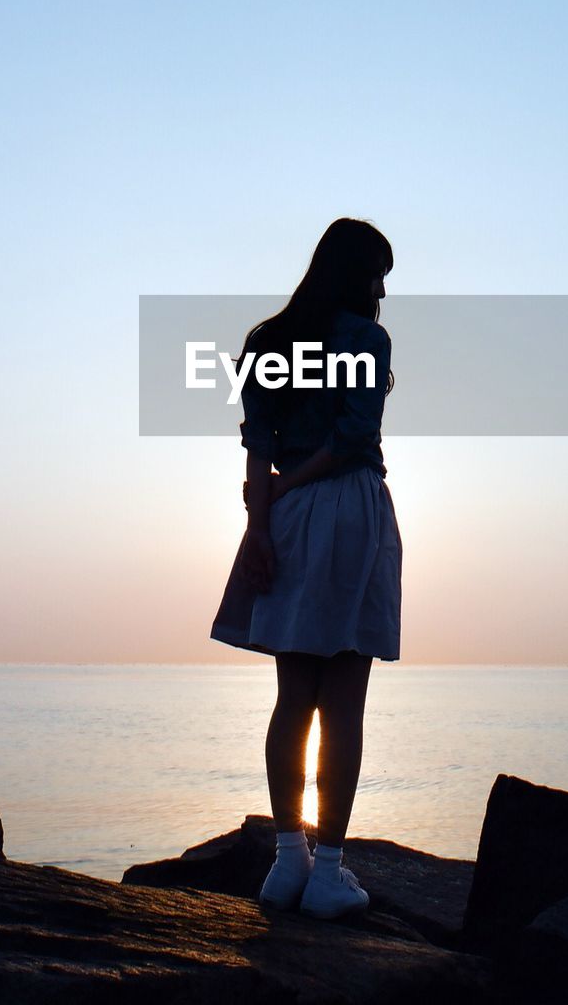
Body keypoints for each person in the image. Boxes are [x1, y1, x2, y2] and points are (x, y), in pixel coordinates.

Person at [209, 217, 402, 920]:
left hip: (284, 519)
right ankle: (328, 870)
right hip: (346, 512)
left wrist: (261, 519)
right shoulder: (365, 338)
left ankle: (287, 861)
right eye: (379, 273)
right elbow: (355, 442)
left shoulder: (268, 341)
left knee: (294, 695)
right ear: (358, 274)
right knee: (342, 699)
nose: (383, 289)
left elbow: (257, 446)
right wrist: (285, 495)